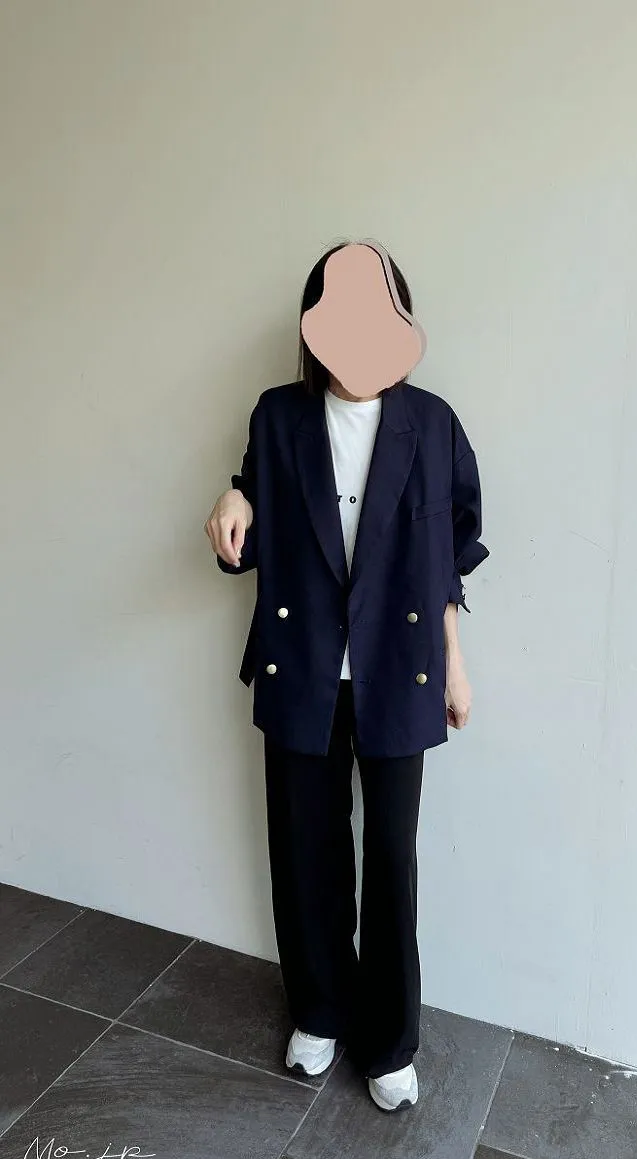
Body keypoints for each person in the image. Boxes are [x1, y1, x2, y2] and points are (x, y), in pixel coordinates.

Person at [204, 241, 489, 1112]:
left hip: (399, 671)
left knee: (390, 861)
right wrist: (233, 500)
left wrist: (454, 663)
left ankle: (389, 1039)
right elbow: (251, 518)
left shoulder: (431, 424)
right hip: (301, 668)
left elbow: (447, 556)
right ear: (314, 326)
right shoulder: (277, 416)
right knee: (306, 852)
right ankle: (320, 1010)